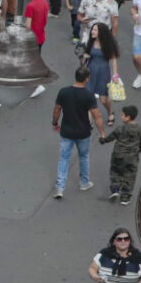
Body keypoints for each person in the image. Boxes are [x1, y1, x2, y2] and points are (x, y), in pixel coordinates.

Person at [52, 65, 105, 199]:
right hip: (83, 132)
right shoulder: (89, 96)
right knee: (84, 156)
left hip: (67, 131)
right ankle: (84, 183)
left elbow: (57, 109)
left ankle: (60, 188)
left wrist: (55, 123)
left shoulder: (63, 92)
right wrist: (102, 132)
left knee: (64, 158)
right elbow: (97, 115)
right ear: (87, 79)